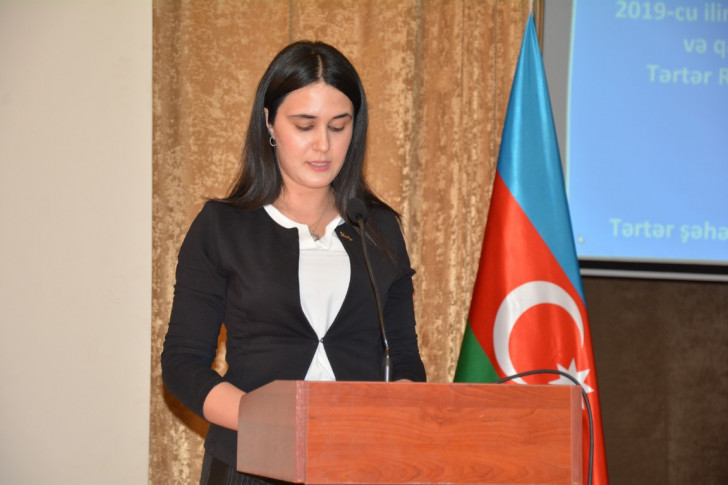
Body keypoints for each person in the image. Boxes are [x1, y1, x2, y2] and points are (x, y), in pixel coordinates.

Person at [161, 40, 427, 485]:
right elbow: (182, 363)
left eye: (339, 126)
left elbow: (405, 360)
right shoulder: (222, 227)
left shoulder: (378, 228)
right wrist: (267, 419)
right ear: (269, 122)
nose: (323, 145)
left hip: (362, 464)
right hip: (250, 463)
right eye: (304, 125)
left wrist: (388, 412)